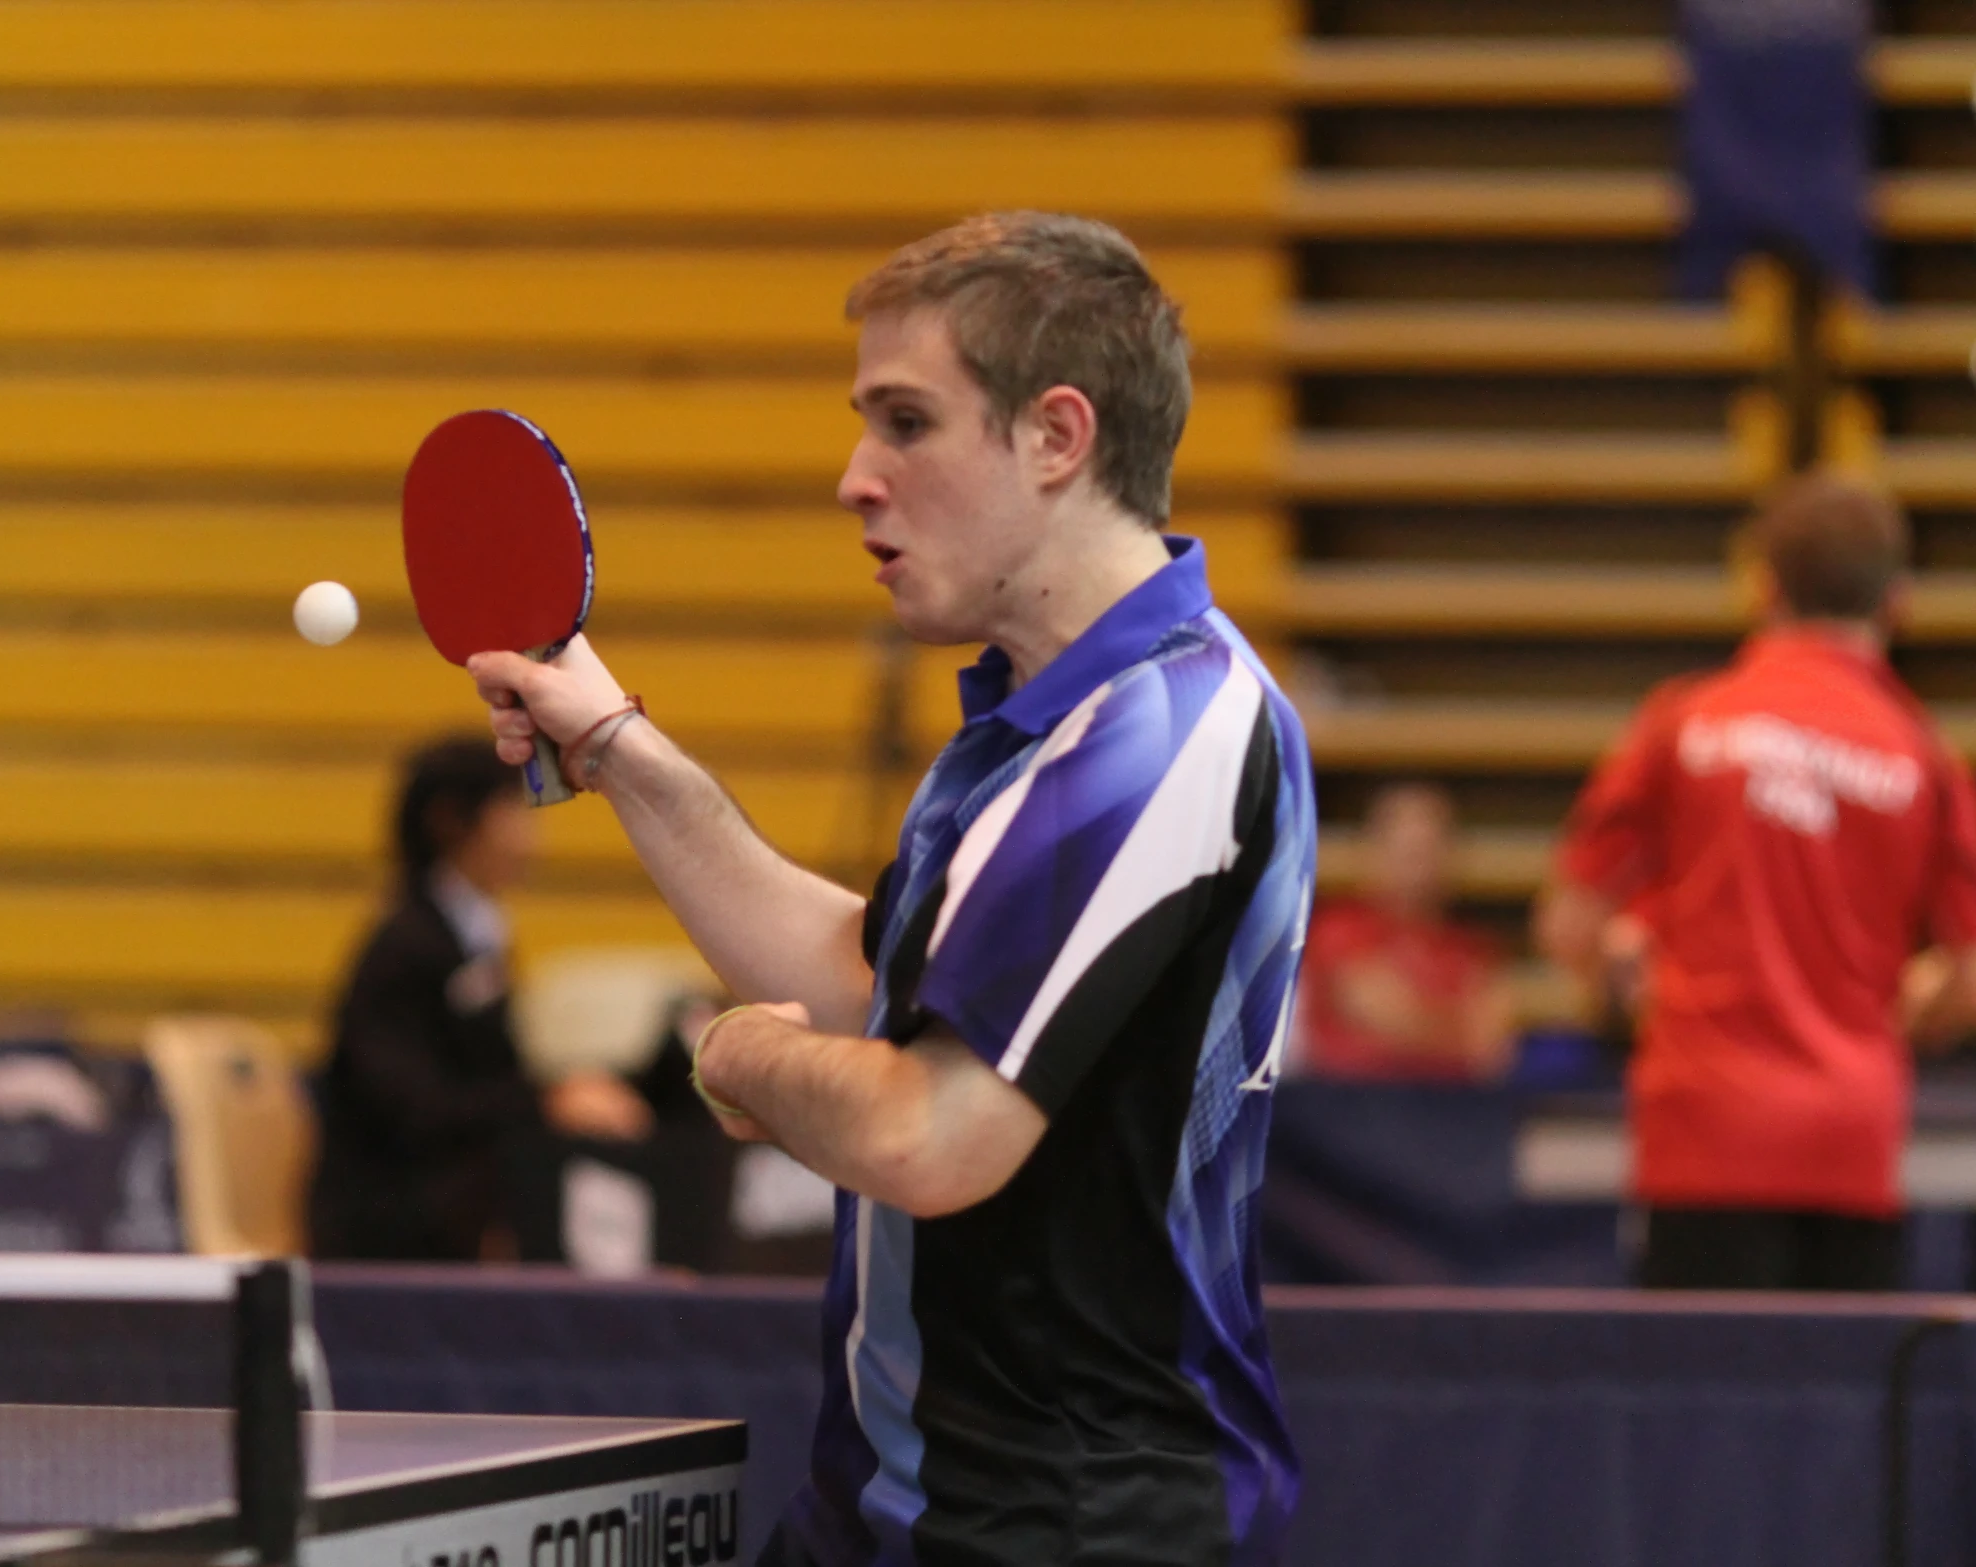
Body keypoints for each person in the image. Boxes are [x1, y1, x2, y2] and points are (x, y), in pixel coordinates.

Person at [471, 212, 1316, 1565]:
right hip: (905, 1502)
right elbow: (861, 980)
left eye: (905, 422)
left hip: (1068, 1521)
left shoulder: (1158, 740)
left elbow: (928, 1133)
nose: (854, 476)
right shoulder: (1030, 730)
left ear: (1056, 435)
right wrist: (612, 741)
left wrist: (732, 1049)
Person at [1534, 473, 1976, 1292]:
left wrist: (1633, 983)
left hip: (1701, 1138)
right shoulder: (1926, 759)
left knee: (1702, 1411)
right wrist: (1901, 1014)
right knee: (1837, 1411)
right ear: (1898, 602)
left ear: (1763, 586)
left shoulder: (1680, 724)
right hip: (1851, 1145)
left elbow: (1571, 926)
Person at [309, 736, 653, 1261]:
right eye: (511, 810)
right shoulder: (405, 947)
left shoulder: (476, 935)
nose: (529, 836)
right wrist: (547, 1104)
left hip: (451, 1195)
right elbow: (414, 1111)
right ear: (451, 820)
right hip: (391, 1218)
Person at [1296, 782, 1515, 1082]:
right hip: (1351, 1109)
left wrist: (1424, 1025)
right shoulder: (1338, 930)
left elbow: (1493, 1049)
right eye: (1409, 852)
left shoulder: (1472, 948)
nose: (1420, 869)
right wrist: (1457, 1028)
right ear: (1375, 852)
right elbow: (1382, 1013)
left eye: (1431, 850)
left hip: (1450, 1107)